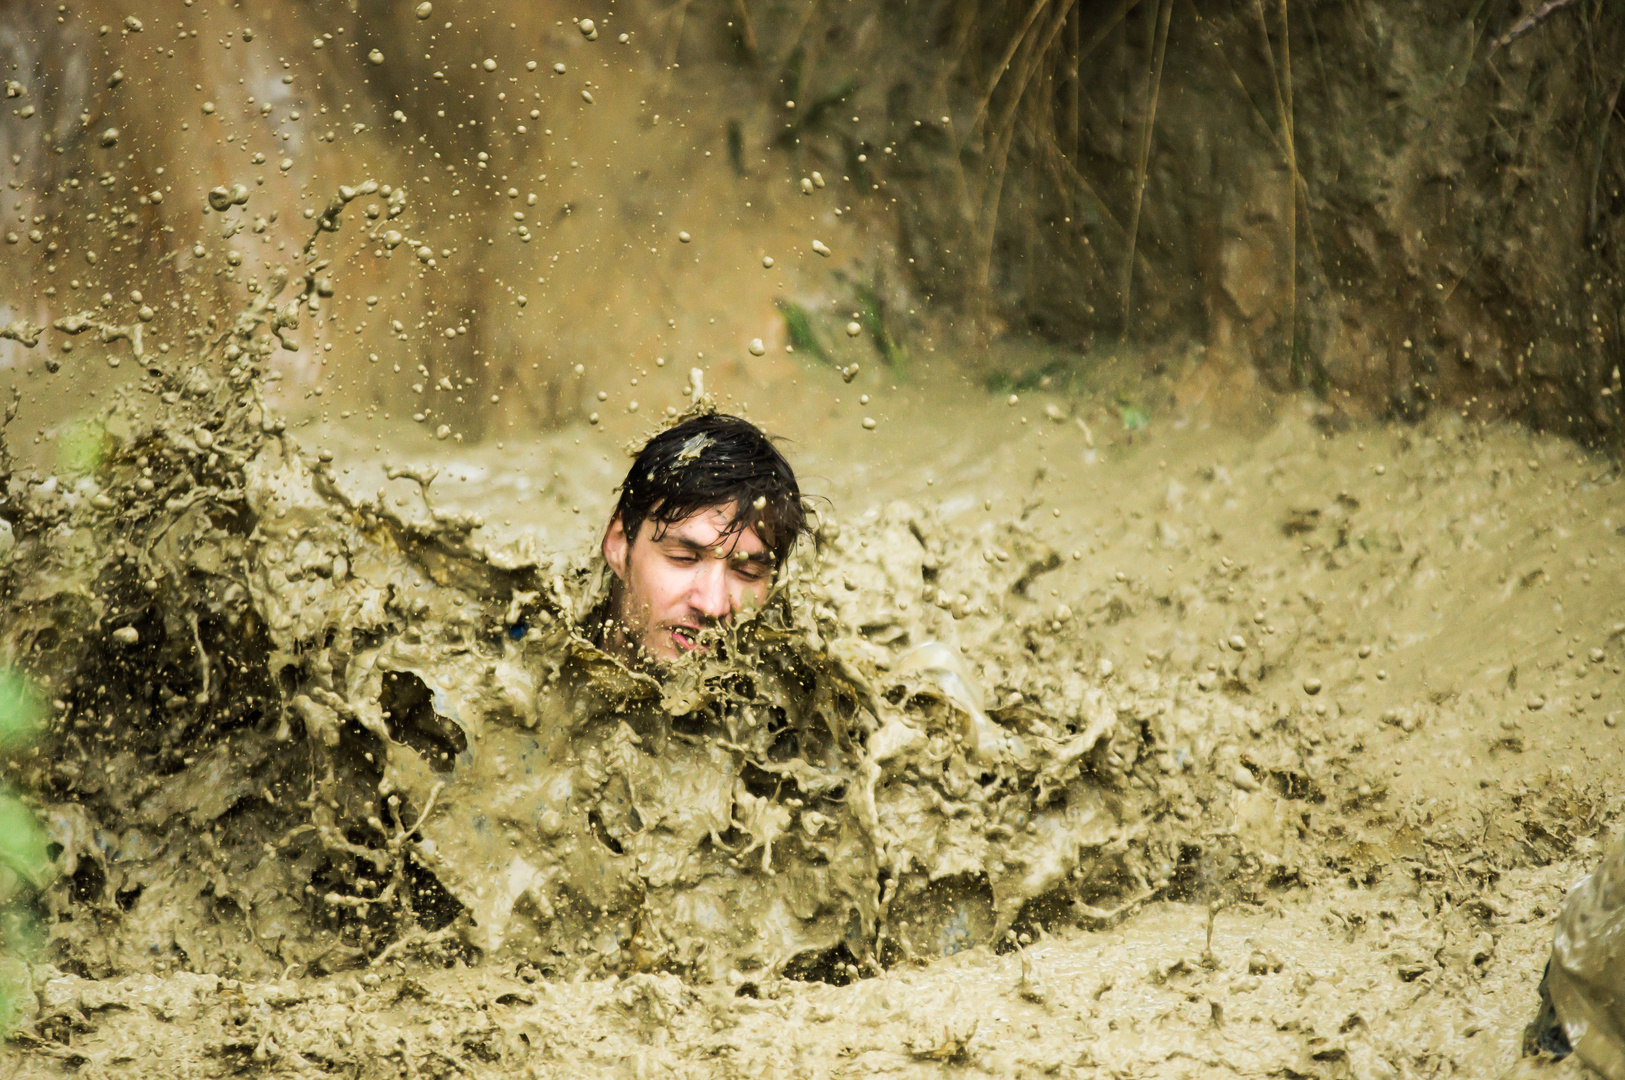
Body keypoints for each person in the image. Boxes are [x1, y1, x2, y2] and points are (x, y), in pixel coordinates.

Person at [596, 410, 811, 664]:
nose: (713, 606)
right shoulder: (542, 652)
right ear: (619, 543)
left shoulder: (793, 690)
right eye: (685, 558)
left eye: (748, 573)